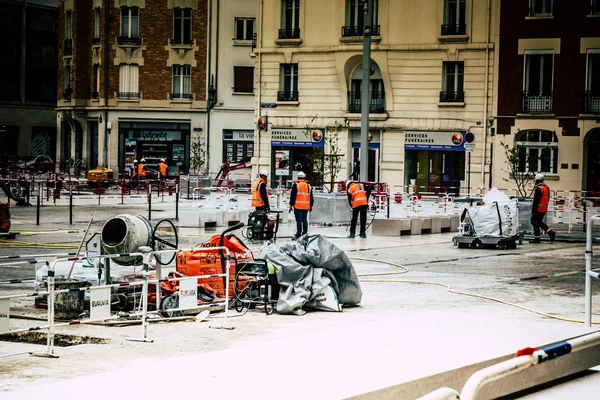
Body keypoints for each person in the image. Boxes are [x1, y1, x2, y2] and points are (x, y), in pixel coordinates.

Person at [530, 173, 556, 243]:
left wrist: (533, 209)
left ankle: (537, 238)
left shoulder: (539, 188)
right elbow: (547, 198)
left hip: (538, 208)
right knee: (538, 222)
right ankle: (550, 232)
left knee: (534, 221)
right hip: (544, 208)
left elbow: (536, 200)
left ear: (537, 180)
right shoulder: (546, 188)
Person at [289, 171, 314, 239]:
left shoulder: (296, 185)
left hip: (298, 206)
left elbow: (293, 196)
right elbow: (311, 197)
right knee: (304, 220)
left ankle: (298, 234)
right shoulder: (308, 186)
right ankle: (305, 233)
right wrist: (310, 206)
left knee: (299, 220)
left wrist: (291, 205)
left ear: (298, 177)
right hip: (306, 207)